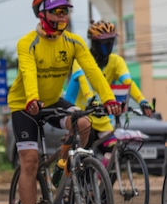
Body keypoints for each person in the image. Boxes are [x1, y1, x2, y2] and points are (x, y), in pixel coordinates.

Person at [7, 0, 122, 204]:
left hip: (53, 102)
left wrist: (110, 99)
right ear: (42, 14)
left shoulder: (74, 42)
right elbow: (28, 72)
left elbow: (93, 71)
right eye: (57, 12)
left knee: (83, 122)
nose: (63, 17)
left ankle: (64, 172)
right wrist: (32, 97)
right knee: (30, 162)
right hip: (25, 105)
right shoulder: (28, 43)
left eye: (66, 12)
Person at [65, 20, 154, 153]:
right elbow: (85, 83)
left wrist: (142, 101)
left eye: (111, 42)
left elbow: (128, 83)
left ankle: (106, 173)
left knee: (113, 152)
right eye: (103, 43)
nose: (108, 46)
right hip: (82, 114)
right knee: (82, 157)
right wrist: (91, 99)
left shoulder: (116, 61)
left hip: (102, 118)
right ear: (94, 43)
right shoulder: (82, 59)